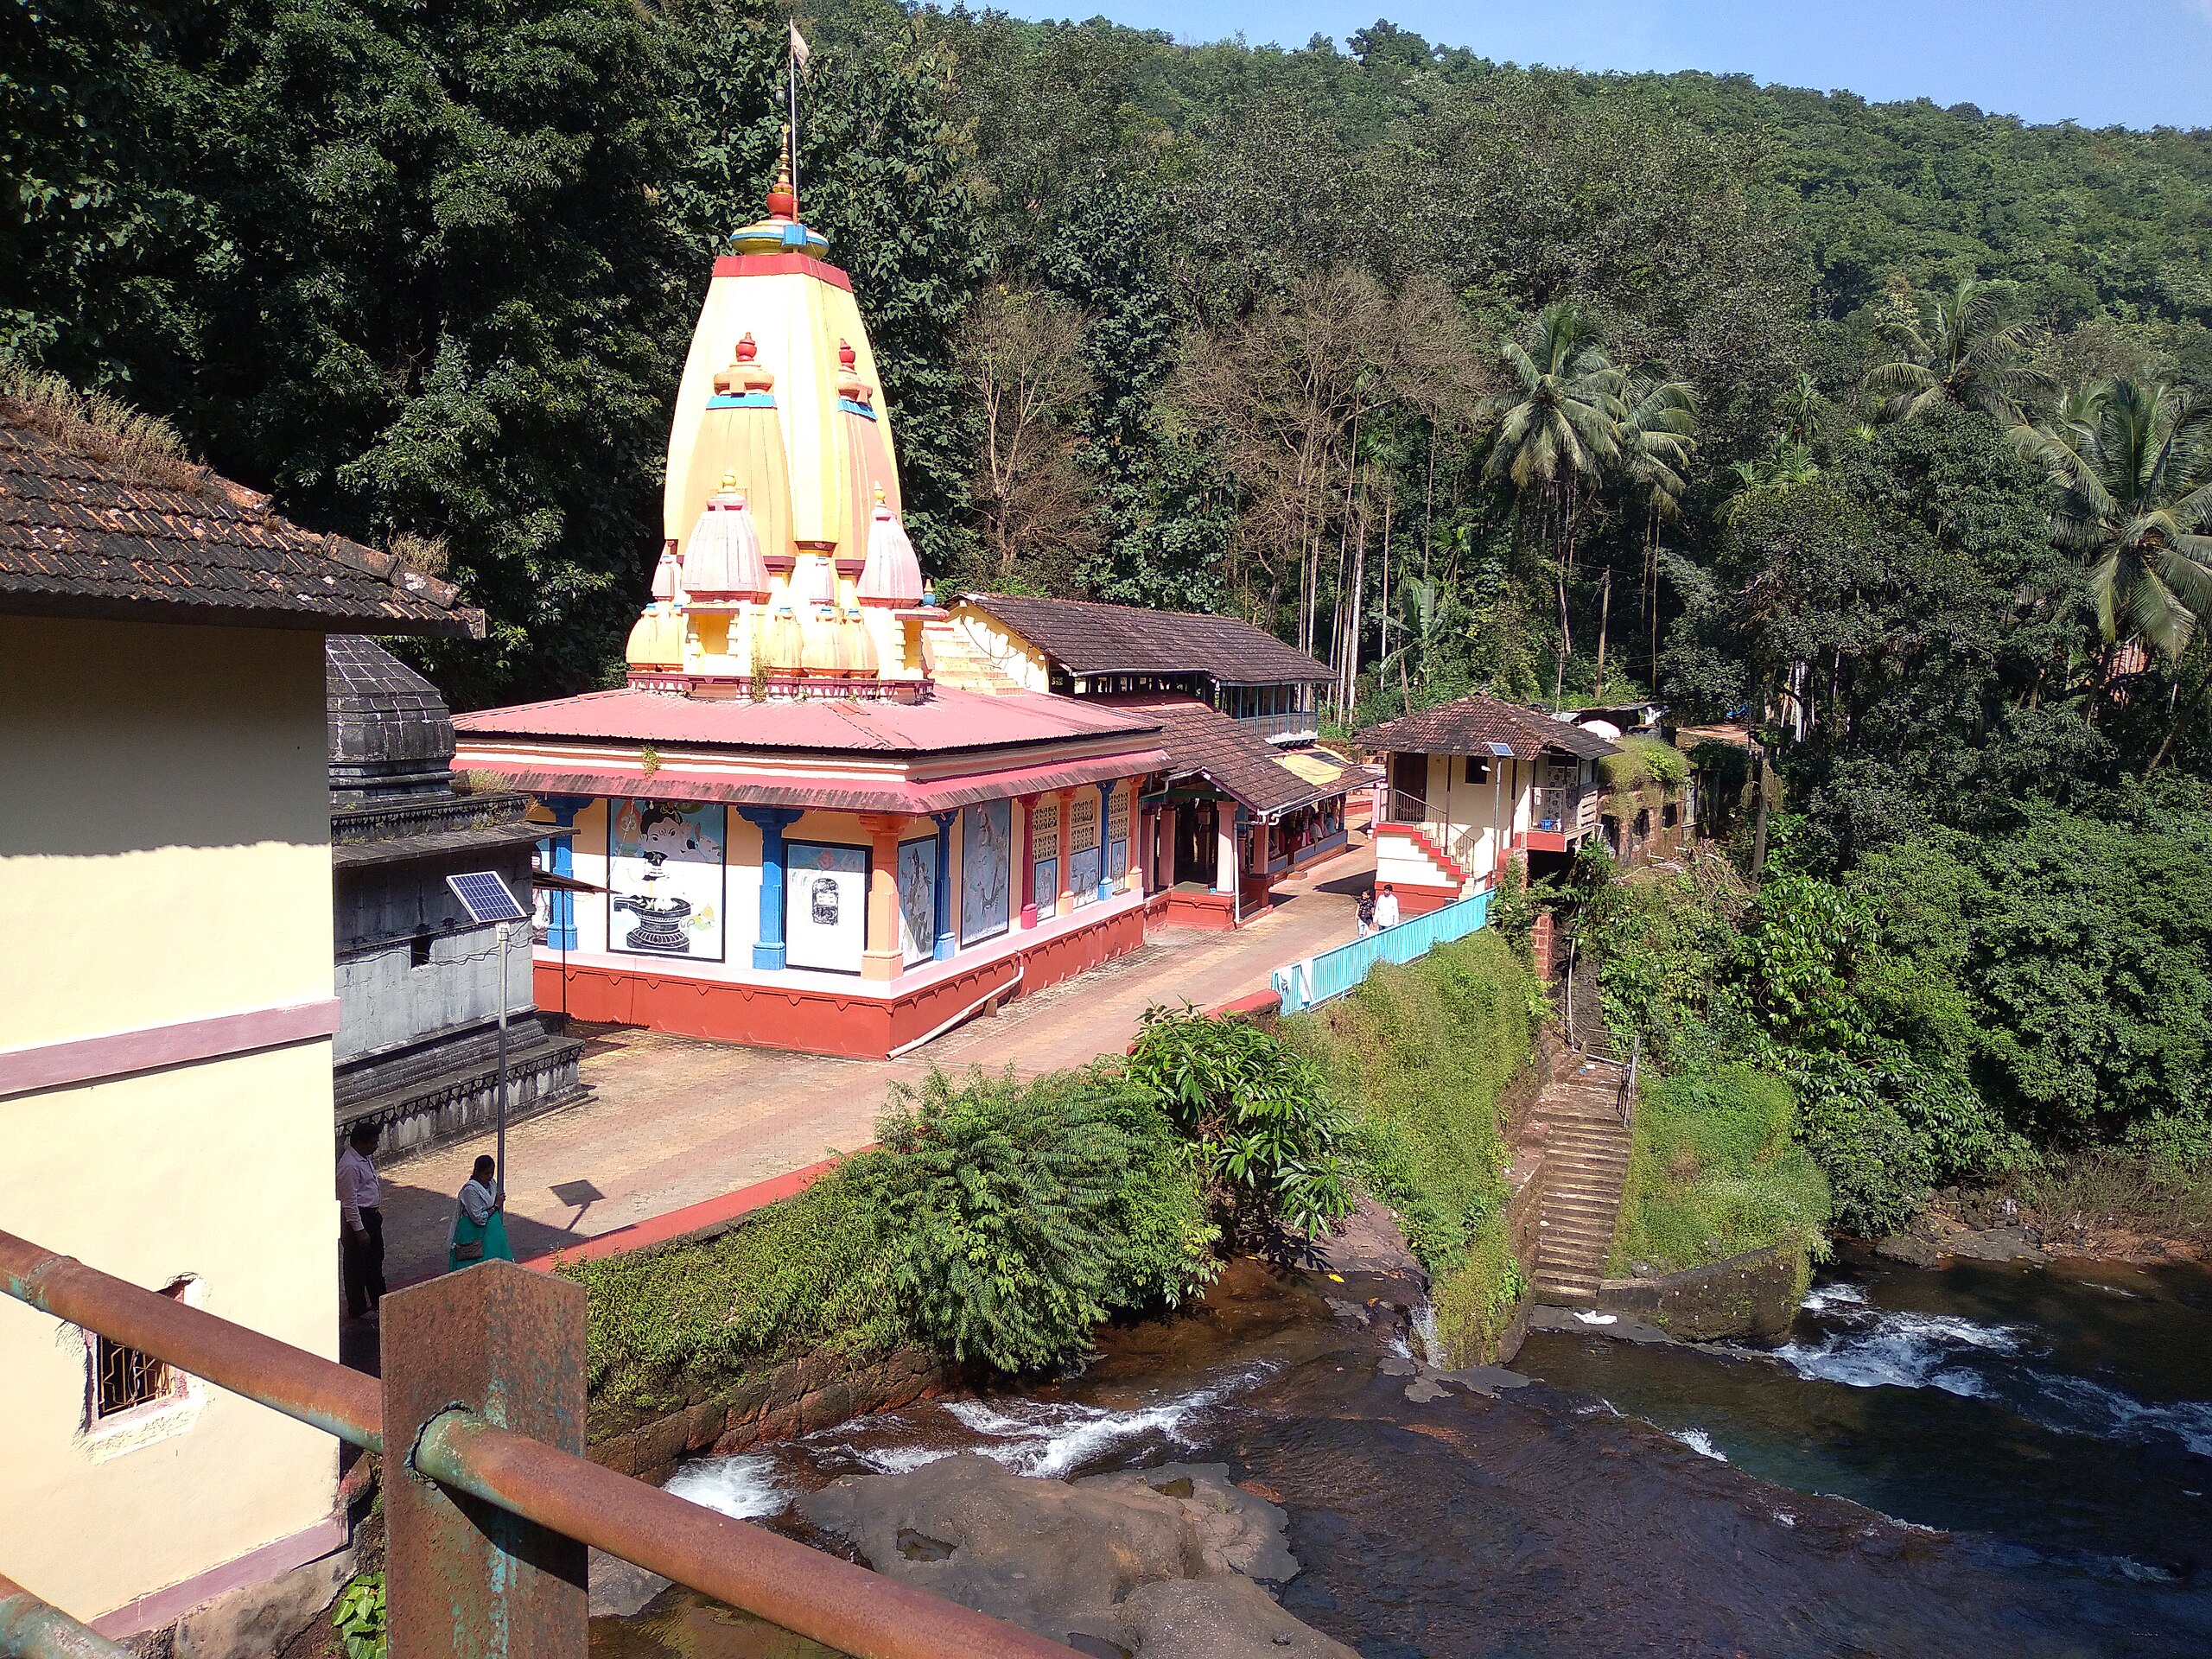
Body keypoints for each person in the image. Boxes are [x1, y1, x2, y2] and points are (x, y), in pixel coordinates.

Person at [338, 1123, 385, 1319]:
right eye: (372, 1142)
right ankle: (358, 1307)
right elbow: (349, 1201)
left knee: (374, 1261)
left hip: (371, 1216)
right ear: (359, 1143)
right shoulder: (350, 1165)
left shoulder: (362, 1159)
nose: (376, 1146)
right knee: (357, 1265)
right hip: (359, 1218)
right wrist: (359, 1229)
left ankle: (379, 1300)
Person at [448, 1155, 515, 1271]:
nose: (489, 1176)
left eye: (491, 1173)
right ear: (477, 1172)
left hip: (493, 1233)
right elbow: (478, 1217)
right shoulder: (471, 1190)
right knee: (472, 1265)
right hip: (473, 1232)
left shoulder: (492, 1184)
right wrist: (496, 1206)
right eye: (486, 1173)